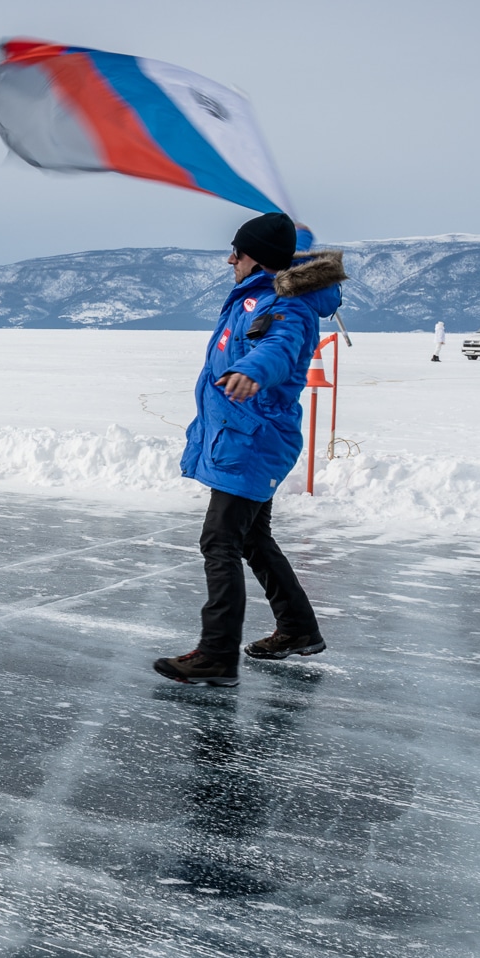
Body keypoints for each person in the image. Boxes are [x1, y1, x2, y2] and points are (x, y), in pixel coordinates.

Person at [153, 212, 347, 687]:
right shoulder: (257, 295)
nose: (229, 259)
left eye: (235, 252)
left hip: (253, 440)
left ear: (254, 257)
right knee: (252, 539)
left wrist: (255, 370)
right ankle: (298, 629)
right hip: (241, 435)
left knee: (219, 540)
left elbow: (279, 345)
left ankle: (217, 655)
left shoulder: (283, 304)